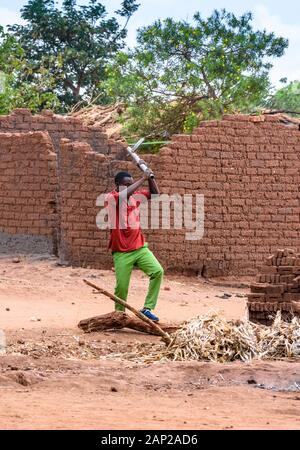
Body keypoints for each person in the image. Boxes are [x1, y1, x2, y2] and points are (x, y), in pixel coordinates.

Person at [105, 168, 163, 322]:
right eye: (126, 184)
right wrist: (142, 179)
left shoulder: (135, 197)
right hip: (121, 251)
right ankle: (119, 315)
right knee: (122, 287)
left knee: (157, 271)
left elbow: (155, 194)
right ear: (117, 185)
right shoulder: (111, 198)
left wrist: (151, 177)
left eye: (131, 183)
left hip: (139, 247)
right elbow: (124, 195)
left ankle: (147, 309)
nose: (130, 186)